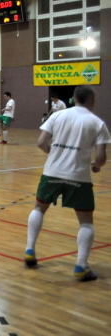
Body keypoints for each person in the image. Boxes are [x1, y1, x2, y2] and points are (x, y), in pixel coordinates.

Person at [24, 86, 110, 281]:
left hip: (51, 172)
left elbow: (41, 143)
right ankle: (81, 266)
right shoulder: (97, 123)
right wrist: (96, 166)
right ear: (92, 100)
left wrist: (55, 155)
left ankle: (30, 250)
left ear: (73, 98)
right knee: (86, 222)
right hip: (79, 176)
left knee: (39, 208)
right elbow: (101, 157)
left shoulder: (58, 115)